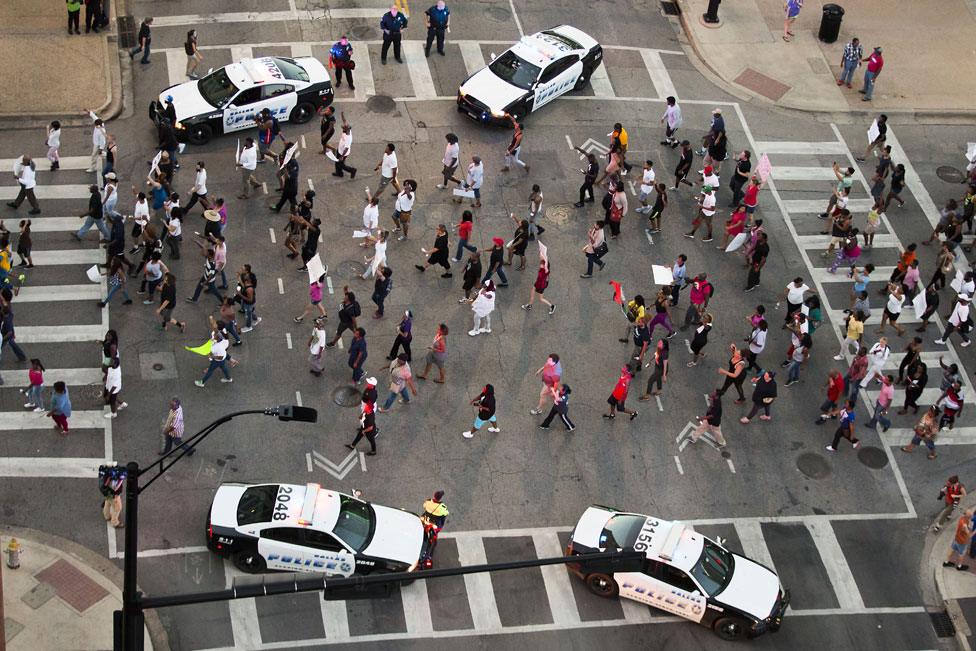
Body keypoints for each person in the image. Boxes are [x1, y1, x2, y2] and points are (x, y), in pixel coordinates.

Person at [193, 317, 233, 387]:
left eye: (214, 336)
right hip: (221, 356)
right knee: (223, 367)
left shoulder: (217, 347)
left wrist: (212, 356)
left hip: (218, 359)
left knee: (210, 370)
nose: (213, 335)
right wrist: (211, 319)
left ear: (217, 338)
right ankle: (229, 378)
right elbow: (214, 327)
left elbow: (220, 357)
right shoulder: (221, 333)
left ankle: (202, 382)